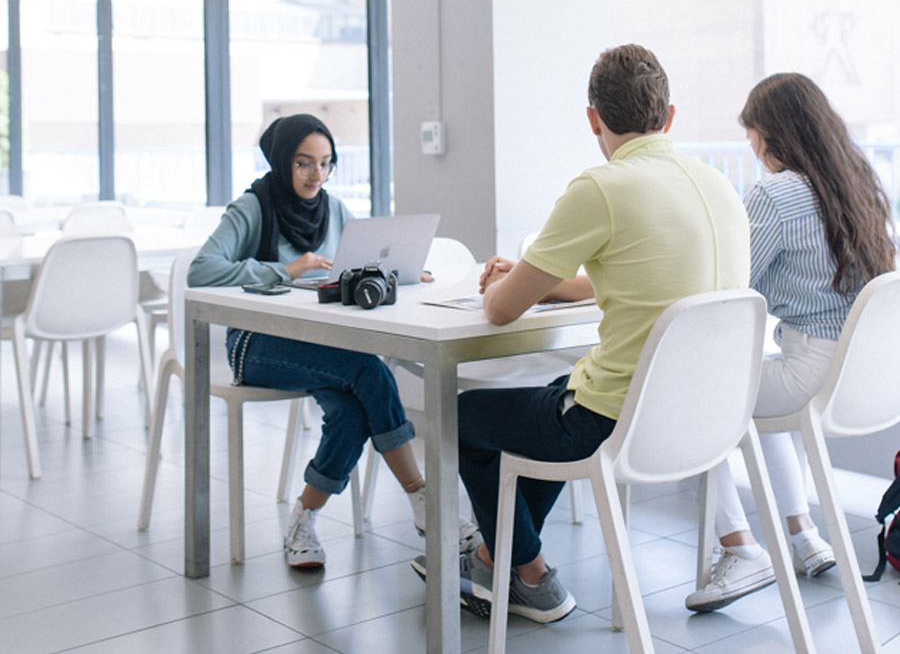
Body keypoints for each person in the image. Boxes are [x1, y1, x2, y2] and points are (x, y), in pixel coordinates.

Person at [410, 43, 751, 623]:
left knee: (459, 417)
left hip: (613, 421)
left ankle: (531, 573)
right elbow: (633, 277)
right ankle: (500, 560)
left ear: (593, 118)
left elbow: (497, 313)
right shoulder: (719, 185)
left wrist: (505, 282)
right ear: (669, 117)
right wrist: (545, 284)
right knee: (557, 392)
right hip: (705, 417)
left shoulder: (601, 187)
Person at [187, 113, 480, 568]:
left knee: (349, 415)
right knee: (369, 369)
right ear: (282, 162)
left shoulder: (334, 209)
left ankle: (303, 516)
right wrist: (286, 270)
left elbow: (355, 266)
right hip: (255, 345)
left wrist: (399, 274)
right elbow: (201, 270)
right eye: (304, 163)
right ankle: (422, 499)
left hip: (318, 344)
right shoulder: (252, 207)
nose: (315, 176)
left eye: (325, 164)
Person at [685, 72, 897, 613]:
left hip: (812, 371)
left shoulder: (775, 194)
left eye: (751, 134)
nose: (751, 149)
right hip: (863, 375)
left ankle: (740, 548)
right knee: (753, 378)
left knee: (689, 396)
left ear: (768, 134)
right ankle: (804, 536)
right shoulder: (855, 180)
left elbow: (731, 285)